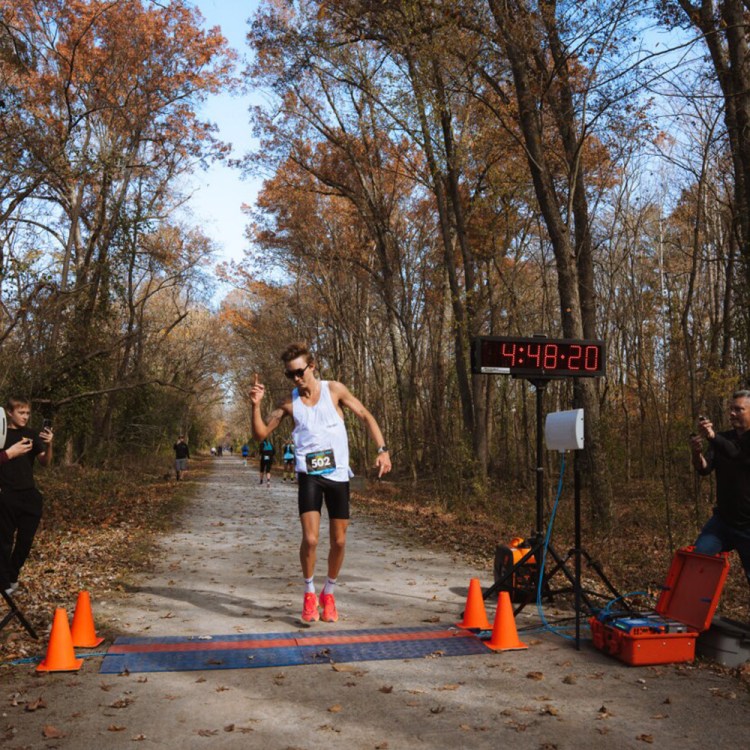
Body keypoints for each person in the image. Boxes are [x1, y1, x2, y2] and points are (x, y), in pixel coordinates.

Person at [250, 342, 391, 623]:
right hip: (309, 475)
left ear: (311, 366)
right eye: (290, 375)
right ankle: (309, 592)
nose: (296, 379)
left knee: (338, 541)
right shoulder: (289, 404)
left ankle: (329, 592)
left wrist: (382, 449)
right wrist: (254, 405)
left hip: (338, 475)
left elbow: (365, 415)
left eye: (300, 372)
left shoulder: (333, 390)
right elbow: (261, 434)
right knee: (311, 539)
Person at [690, 390, 750, 594]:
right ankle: (694, 614)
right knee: (697, 560)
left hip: (748, 525)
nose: (732, 413)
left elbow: (737, 453)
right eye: (731, 409)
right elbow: (704, 469)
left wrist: (712, 436)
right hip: (723, 521)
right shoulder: (723, 438)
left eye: (738, 409)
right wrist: (697, 453)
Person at [0, 397, 53, 595]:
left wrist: (48, 445)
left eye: (28, 413)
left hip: (29, 496)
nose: (25, 417)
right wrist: (10, 453)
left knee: (25, 542)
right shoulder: (1, 435)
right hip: (6, 495)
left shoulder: (31, 435)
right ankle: (4, 584)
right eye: (21, 413)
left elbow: (45, 462)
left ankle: (12, 576)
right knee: (4, 542)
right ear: (9, 412)